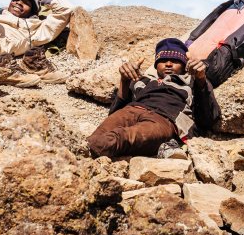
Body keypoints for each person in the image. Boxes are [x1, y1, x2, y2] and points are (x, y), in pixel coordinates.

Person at [87, 37, 221, 158]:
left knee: (120, 138)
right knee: (96, 136)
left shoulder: (192, 82)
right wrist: (125, 80)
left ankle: (90, 152)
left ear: (184, 65)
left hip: (164, 119)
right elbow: (114, 112)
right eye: (163, 60)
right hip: (131, 110)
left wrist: (201, 79)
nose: (168, 64)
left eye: (175, 60)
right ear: (156, 65)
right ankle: (90, 149)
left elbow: (209, 118)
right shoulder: (142, 81)